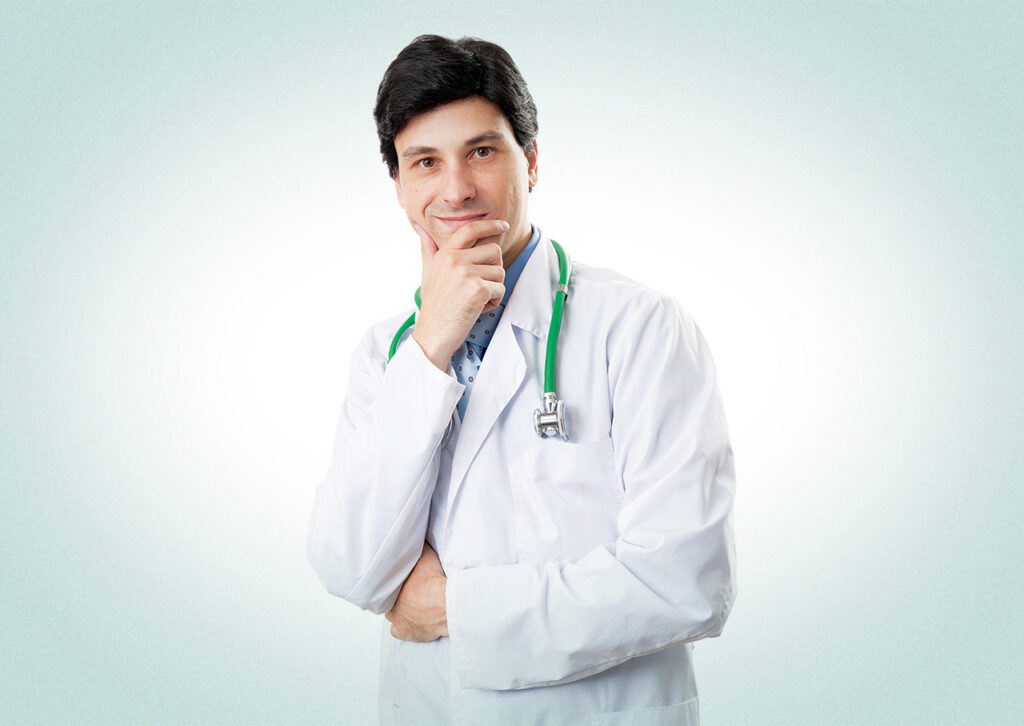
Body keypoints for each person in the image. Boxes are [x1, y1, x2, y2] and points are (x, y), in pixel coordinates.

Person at [307, 34, 736, 726]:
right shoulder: (388, 354)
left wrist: (455, 610)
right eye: (425, 162)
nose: (455, 189)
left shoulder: (639, 328)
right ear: (400, 187)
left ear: (530, 161)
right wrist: (431, 346)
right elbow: (350, 566)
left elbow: (687, 581)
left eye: (482, 152)